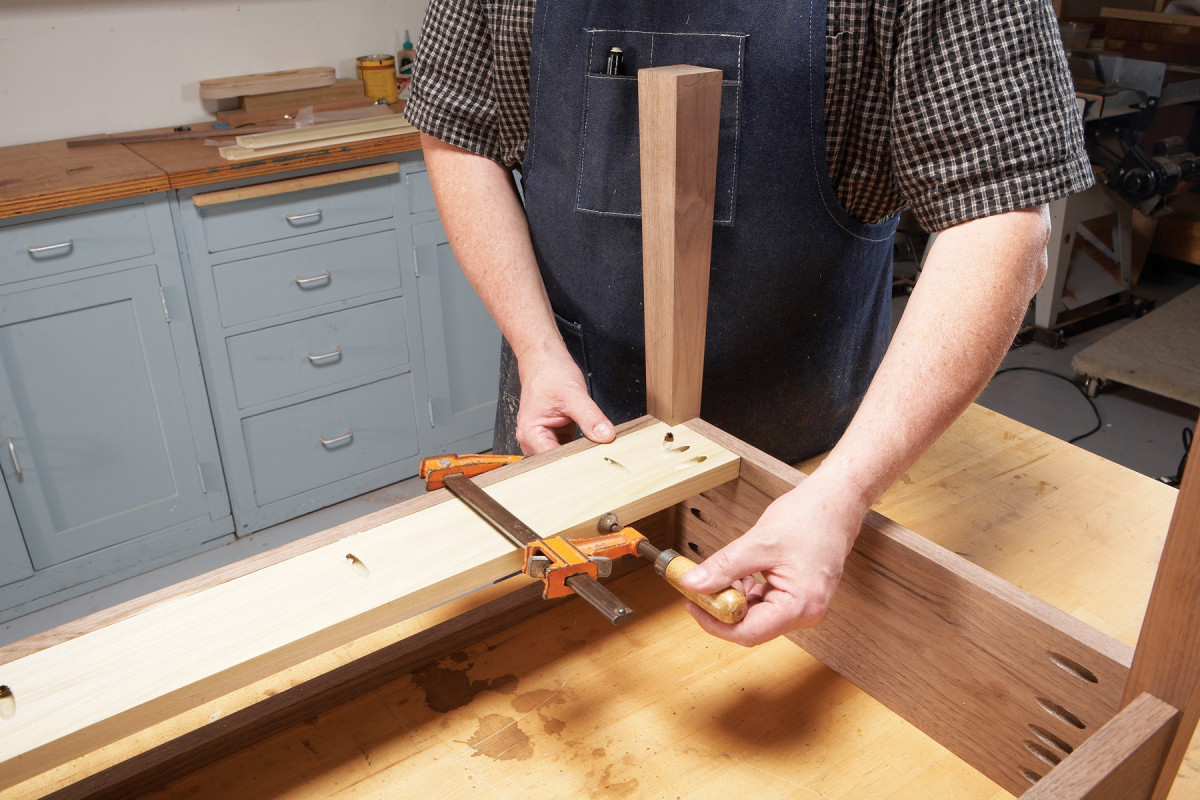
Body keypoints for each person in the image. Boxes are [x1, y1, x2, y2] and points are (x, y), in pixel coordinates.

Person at [406, 0, 1091, 646]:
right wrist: (537, 348)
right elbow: (459, 133)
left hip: (816, 468)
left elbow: (1002, 217)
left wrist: (842, 494)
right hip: (563, 431)